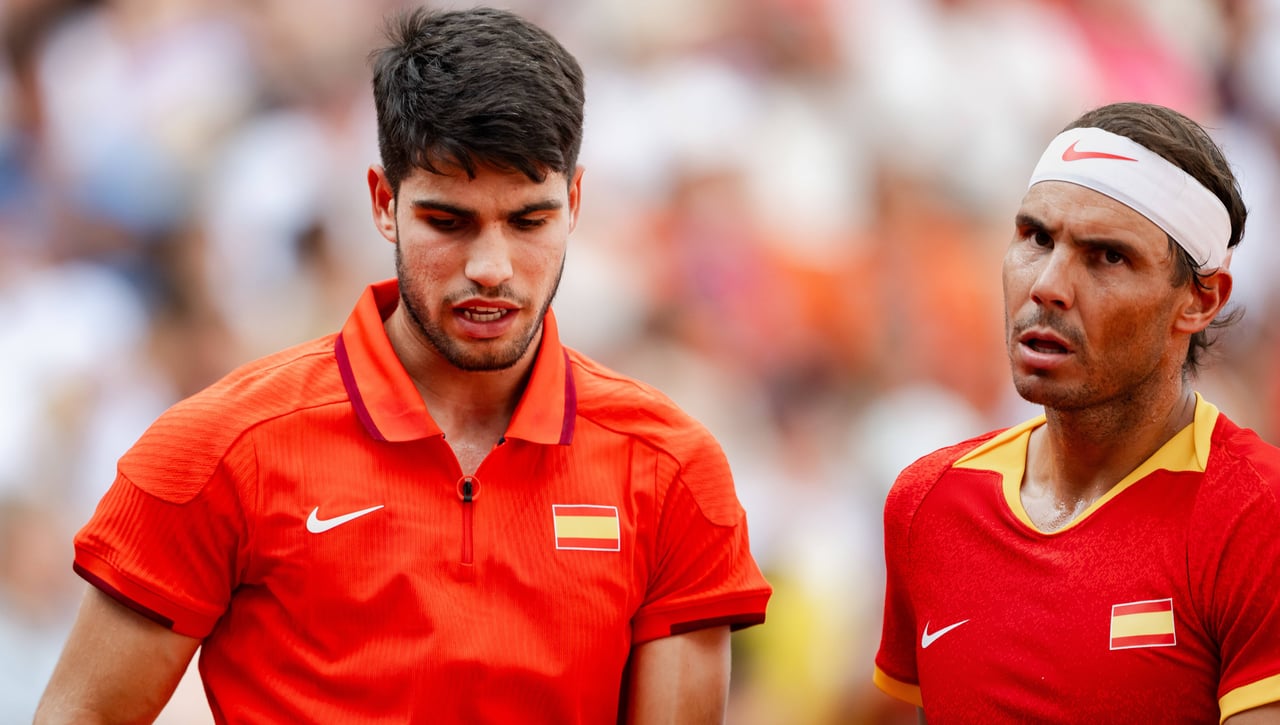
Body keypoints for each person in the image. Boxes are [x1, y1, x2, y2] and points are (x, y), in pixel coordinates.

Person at [33, 7, 772, 724]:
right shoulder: (216, 450)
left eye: (529, 220)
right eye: (448, 221)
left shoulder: (673, 470)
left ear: (574, 202)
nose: (491, 266)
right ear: (384, 202)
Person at [873, 101, 1280, 723]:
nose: (1048, 286)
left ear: (1201, 300)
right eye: (1036, 238)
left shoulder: (1258, 517)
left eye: (1107, 257)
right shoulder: (927, 502)